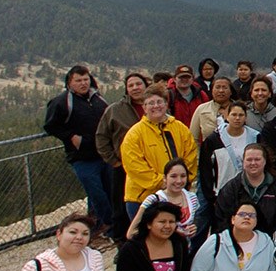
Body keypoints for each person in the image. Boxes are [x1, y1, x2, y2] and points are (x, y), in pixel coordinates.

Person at [43, 65, 113, 239]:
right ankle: (112, 226)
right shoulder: (62, 102)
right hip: (81, 158)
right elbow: (50, 126)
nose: (83, 83)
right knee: (97, 193)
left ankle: (94, 227)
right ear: (69, 82)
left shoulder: (98, 99)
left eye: (85, 79)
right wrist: (71, 137)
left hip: (104, 155)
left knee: (107, 192)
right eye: (78, 80)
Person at [122, 83, 198, 221]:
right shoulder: (134, 134)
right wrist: (163, 183)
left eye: (159, 102)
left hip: (177, 196)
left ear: (166, 104)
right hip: (142, 199)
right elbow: (134, 166)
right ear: (144, 107)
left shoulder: (180, 129)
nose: (156, 106)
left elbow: (191, 157)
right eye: (150, 103)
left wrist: (179, 181)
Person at [96, 71, 149, 241]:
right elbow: (101, 137)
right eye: (131, 85)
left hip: (151, 164)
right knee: (121, 206)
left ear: (145, 85)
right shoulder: (115, 110)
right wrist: (113, 161)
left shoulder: (155, 106)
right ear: (126, 89)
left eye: (138, 84)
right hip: (124, 167)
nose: (135, 88)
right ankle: (122, 242)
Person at [213, 144, 276, 234]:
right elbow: (221, 220)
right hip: (236, 242)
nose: (253, 163)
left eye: (257, 159)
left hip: (270, 242)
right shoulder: (230, 189)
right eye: (249, 160)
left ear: (265, 161)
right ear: (243, 162)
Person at [126, 158, 201, 244]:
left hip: (184, 251)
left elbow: (193, 223)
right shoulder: (153, 200)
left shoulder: (192, 198)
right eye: (173, 176)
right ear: (165, 178)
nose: (179, 181)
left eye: (183, 176)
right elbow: (131, 233)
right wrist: (170, 231)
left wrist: (192, 229)